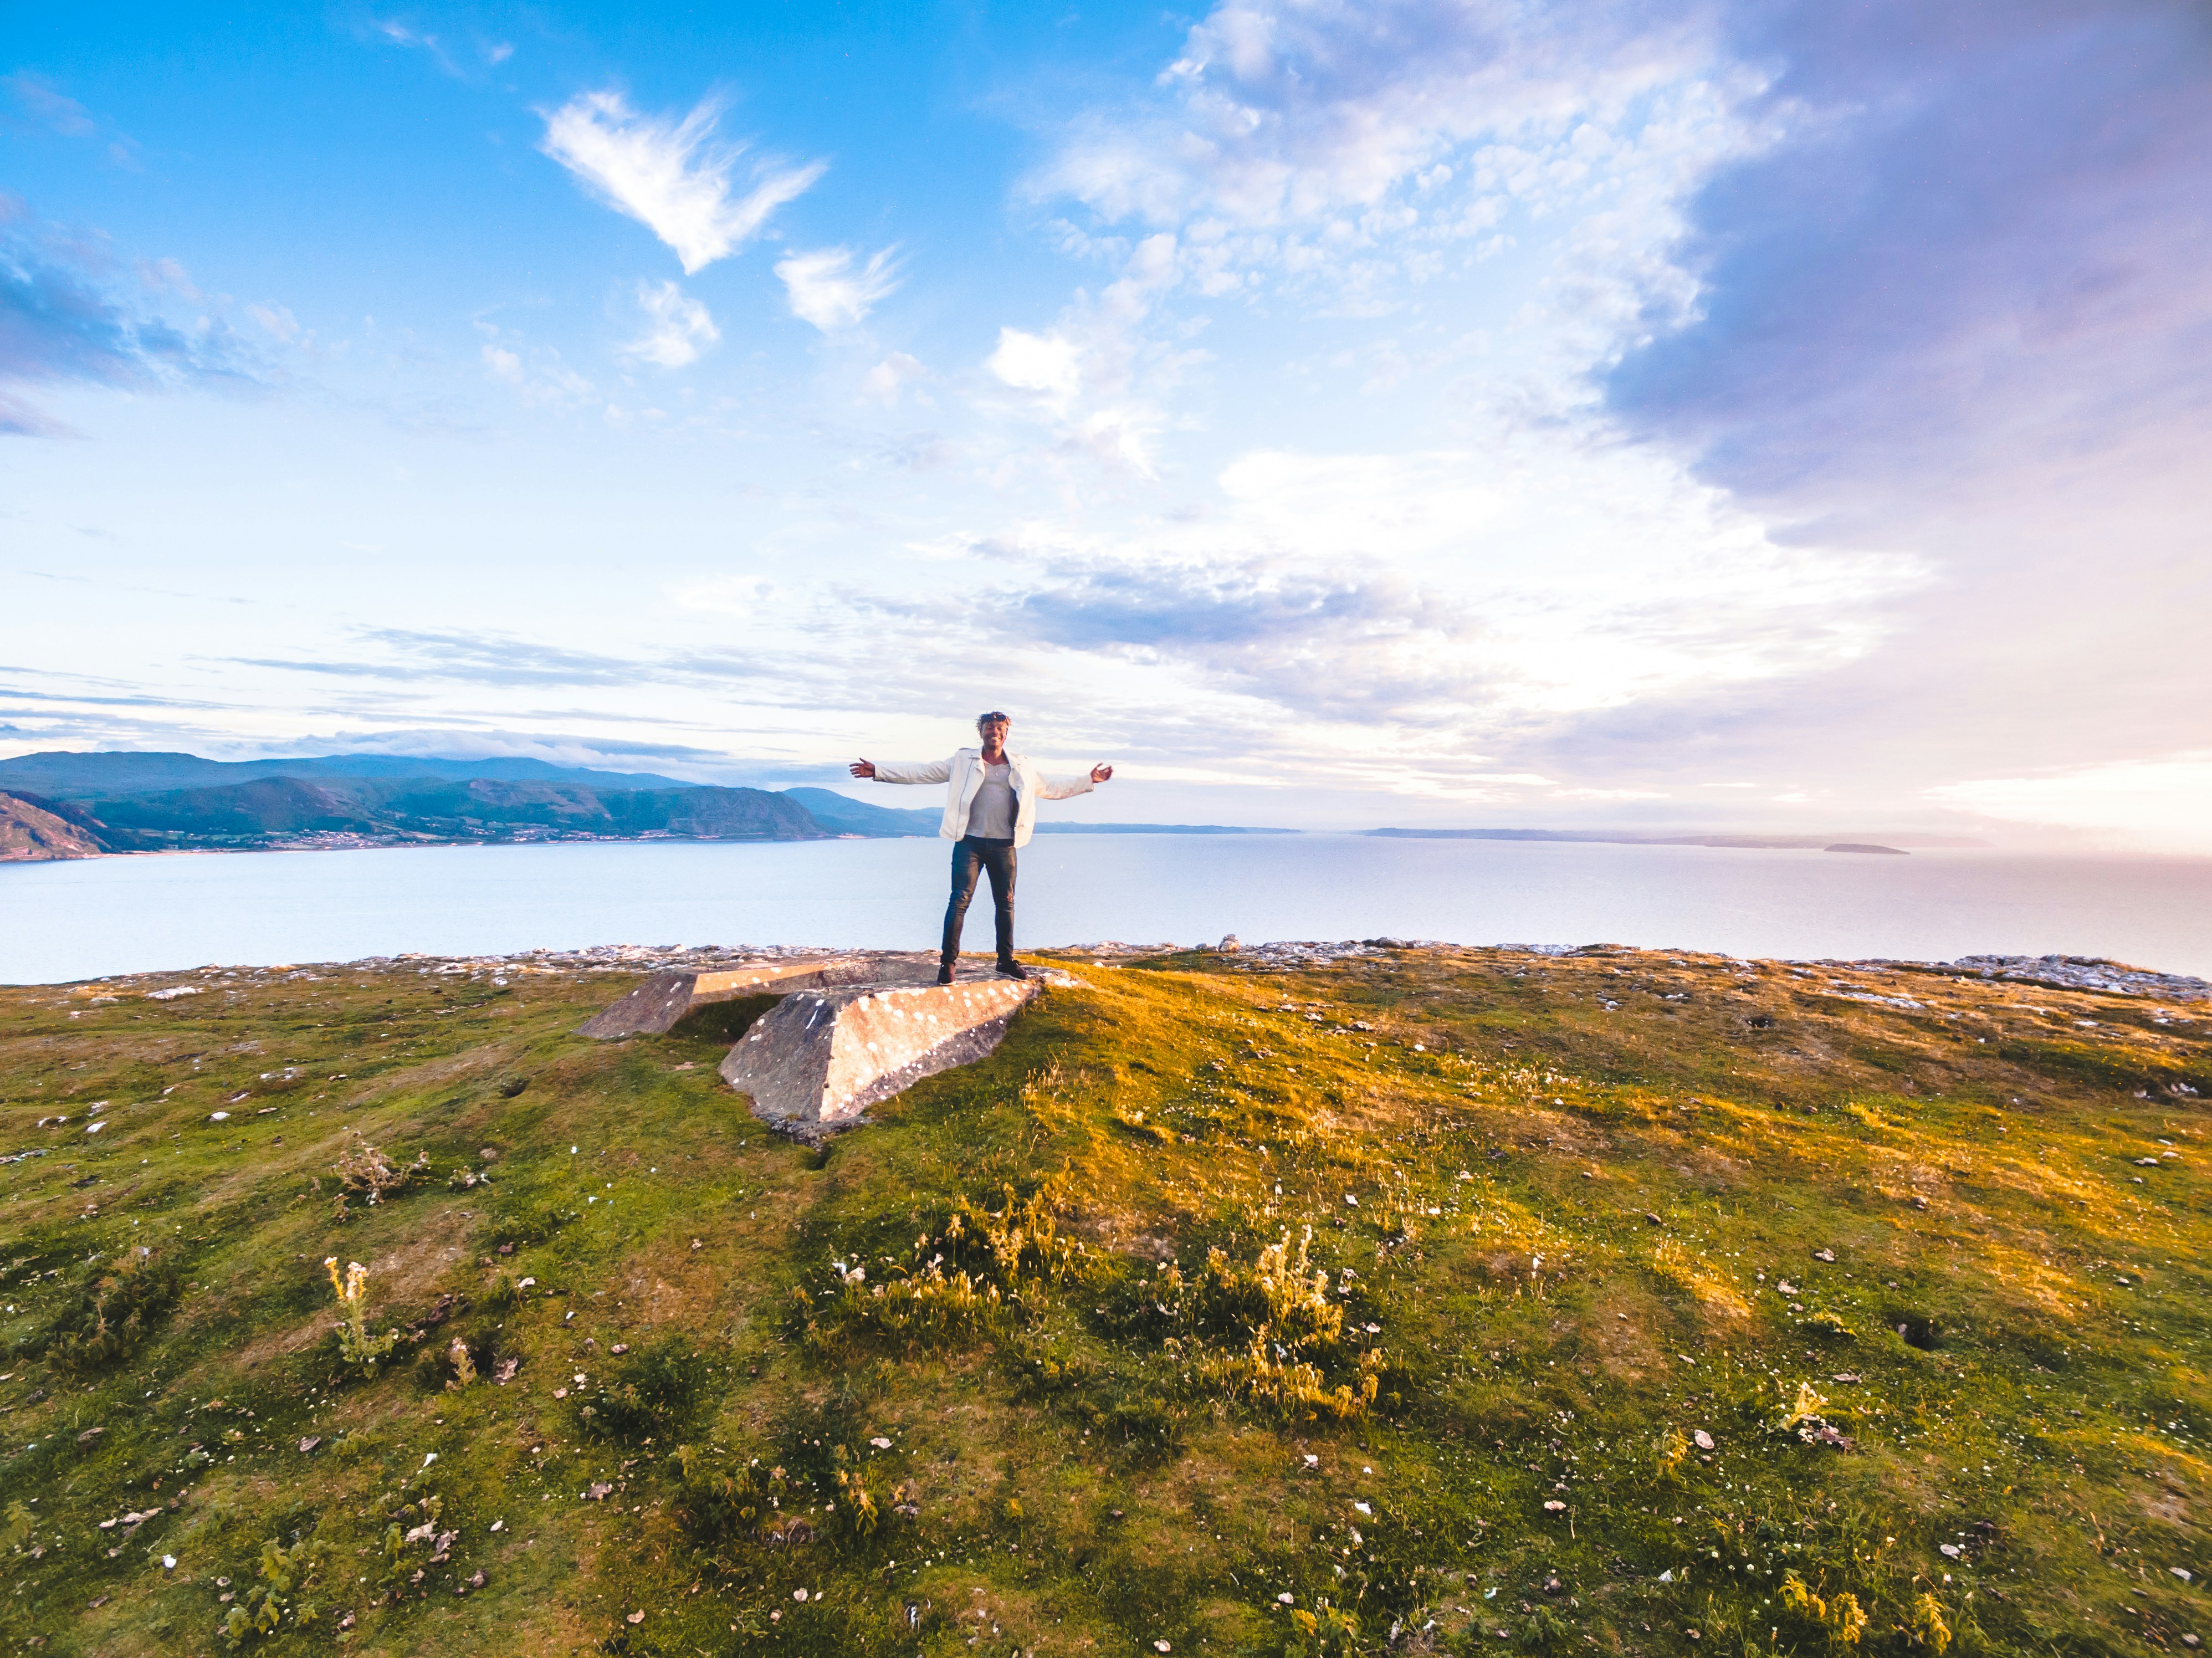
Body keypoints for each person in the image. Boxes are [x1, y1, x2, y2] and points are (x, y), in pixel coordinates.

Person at [851, 712, 1113, 984]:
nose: (994, 731)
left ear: (1006, 734)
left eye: (999, 728)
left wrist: (1088, 781)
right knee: (959, 901)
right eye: (989, 727)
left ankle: (1005, 961)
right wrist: (879, 772)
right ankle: (948, 964)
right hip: (970, 843)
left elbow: (1051, 789)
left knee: (1006, 903)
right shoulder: (963, 761)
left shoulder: (1022, 765)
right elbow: (923, 773)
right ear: (982, 732)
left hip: (1005, 845)